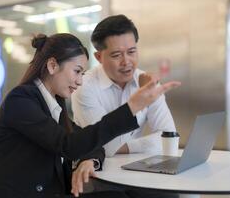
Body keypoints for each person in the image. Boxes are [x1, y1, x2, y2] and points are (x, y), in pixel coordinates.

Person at [0, 33, 180, 198]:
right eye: (77, 71)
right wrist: (132, 107)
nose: (80, 81)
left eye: (82, 73)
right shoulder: (22, 100)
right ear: (53, 65)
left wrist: (88, 159)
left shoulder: (53, 104)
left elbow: (88, 142)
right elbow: (69, 145)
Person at [71, 14, 176, 158]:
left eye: (131, 52)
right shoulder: (84, 88)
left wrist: (123, 147)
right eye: (116, 55)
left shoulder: (147, 81)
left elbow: (170, 137)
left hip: (138, 170)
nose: (126, 61)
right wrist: (141, 100)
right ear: (99, 57)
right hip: (96, 171)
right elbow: (105, 147)